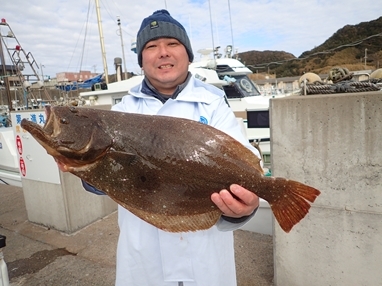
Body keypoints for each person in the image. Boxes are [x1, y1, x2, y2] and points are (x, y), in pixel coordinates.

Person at [83, 9, 261, 286]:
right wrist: (86, 169)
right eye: (151, 46)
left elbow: (244, 168)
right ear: (141, 60)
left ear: (187, 54)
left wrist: (244, 209)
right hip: (144, 263)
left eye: (172, 44)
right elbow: (102, 178)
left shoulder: (214, 104)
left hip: (205, 261)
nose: (163, 52)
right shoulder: (122, 111)